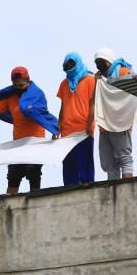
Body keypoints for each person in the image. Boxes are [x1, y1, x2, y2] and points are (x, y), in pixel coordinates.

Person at [0, 66, 60, 194]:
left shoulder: (37, 95)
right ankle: (9, 207)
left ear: (28, 81)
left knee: (33, 174)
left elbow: (43, 114)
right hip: (18, 144)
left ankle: (35, 205)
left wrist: (54, 129)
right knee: (13, 176)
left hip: (36, 143)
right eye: (16, 85)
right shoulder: (10, 96)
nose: (19, 88)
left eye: (21, 85)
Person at [93, 47, 137, 180]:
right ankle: (113, 189)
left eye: (101, 61)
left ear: (108, 61)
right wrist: (97, 83)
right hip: (105, 124)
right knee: (108, 162)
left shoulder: (123, 72)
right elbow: (96, 99)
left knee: (124, 157)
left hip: (120, 122)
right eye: (96, 62)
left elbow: (131, 96)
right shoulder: (101, 78)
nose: (98, 65)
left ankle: (127, 187)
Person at [56, 52, 96, 186]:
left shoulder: (90, 80)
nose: (70, 67)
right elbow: (63, 107)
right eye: (67, 65)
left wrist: (90, 125)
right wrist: (57, 128)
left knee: (85, 165)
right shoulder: (64, 83)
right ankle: (68, 190)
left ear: (78, 63)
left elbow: (93, 105)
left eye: (72, 64)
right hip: (67, 131)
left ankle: (89, 189)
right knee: (69, 166)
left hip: (83, 130)